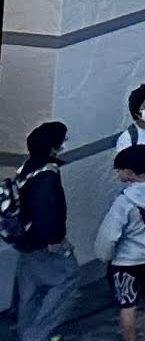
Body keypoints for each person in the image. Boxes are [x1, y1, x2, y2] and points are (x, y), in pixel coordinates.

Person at [100, 141, 145, 341]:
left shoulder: (125, 201)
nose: (118, 174)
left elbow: (109, 235)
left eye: (120, 170)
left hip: (127, 260)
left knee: (128, 305)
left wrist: (105, 255)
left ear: (130, 173)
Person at [7, 123, 67, 341]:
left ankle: (26, 332)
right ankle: (38, 334)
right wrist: (55, 241)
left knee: (28, 290)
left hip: (24, 239)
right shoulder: (47, 176)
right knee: (67, 278)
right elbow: (47, 211)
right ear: (53, 147)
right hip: (42, 242)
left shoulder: (26, 169)